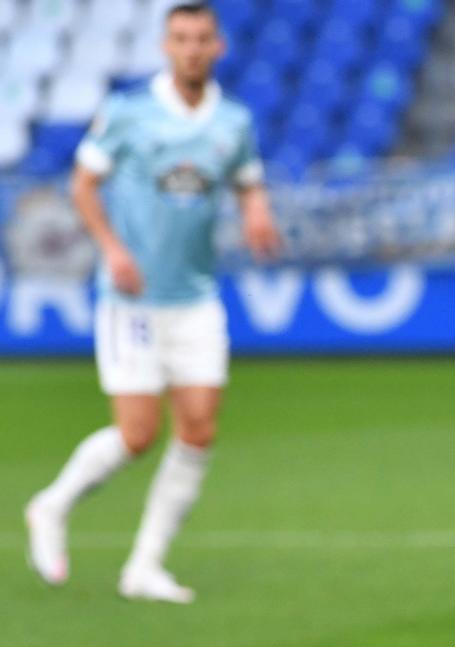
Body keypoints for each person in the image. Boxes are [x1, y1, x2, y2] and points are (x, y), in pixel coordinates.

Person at [24, 1, 279, 603]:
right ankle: (51, 506)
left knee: (198, 430)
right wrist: (111, 248)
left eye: (201, 39)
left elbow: (246, 178)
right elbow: (83, 184)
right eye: (181, 39)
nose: (191, 48)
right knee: (138, 435)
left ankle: (144, 568)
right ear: (166, 47)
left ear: (217, 47)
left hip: (196, 298)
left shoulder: (233, 122)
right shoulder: (129, 111)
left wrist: (257, 210)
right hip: (132, 301)